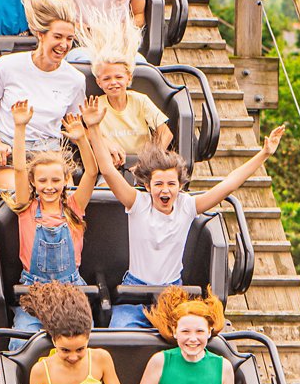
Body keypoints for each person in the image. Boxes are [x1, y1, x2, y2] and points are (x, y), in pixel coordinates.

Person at [96, 124, 287, 328]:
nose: (165, 190)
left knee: (191, 333)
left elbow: (229, 184)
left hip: (172, 293)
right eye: (158, 184)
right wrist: (93, 129)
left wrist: (264, 154)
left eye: (171, 184)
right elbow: (107, 170)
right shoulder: (138, 204)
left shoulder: (186, 206)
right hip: (135, 292)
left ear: (180, 186)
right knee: (120, 334)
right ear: (147, 186)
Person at [5, 99, 99, 333]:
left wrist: (81, 139)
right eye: (43, 181)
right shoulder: (27, 207)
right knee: (22, 338)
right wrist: (20, 128)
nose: (49, 186)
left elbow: (92, 172)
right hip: (35, 288)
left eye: (56, 180)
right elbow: (18, 168)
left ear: (65, 181)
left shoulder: (74, 207)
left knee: (82, 335)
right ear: (34, 183)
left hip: (70, 288)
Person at [0, 0, 85, 190]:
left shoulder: (75, 79)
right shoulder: (7, 66)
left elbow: (75, 126)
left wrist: (103, 141)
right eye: (58, 37)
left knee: (65, 199)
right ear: (41, 35)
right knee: (22, 194)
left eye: (69, 39)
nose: (64, 45)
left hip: (50, 154)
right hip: (9, 151)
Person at [73, 15, 170, 171]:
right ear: (99, 82)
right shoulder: (97, 105)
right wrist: (104, 142)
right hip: (109, 164)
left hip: (143, 164)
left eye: (118, 77)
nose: (113, 83)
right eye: (107, 79)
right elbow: (81, 129)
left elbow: (165, 133)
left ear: (128, 78)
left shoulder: (140, 100)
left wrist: (150, 161)